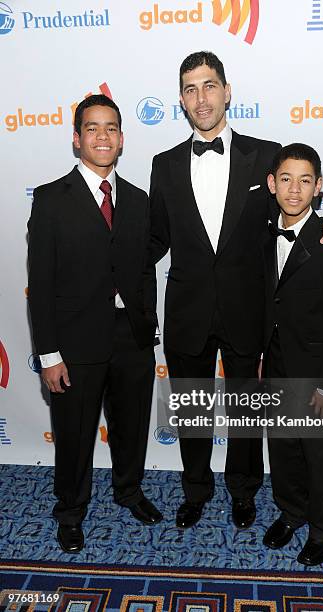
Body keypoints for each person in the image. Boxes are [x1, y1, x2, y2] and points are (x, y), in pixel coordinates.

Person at [149, 51, 323, 530]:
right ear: (181, 100)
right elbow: (155, 240)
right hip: (187, 309)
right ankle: (195, 489)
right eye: (190, 89)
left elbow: (294, 211)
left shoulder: (266, 155)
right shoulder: (162, 165)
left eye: (209, 86)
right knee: (193, 411)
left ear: (227, 91)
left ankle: (243, 492)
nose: (201, 98)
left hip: (249, 310)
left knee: (246, 415)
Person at [28, 94, 162, 554]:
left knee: (130, 425)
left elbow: (146, 270)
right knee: (74, 433)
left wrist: (149, 327)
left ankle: (129, 491)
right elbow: (40, 285)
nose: (102, 137)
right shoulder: (49, 200)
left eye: (111, 129)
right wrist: (49, 354)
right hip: (74, 342)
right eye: (92, 128)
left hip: (132, 338)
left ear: (122, 139)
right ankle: (70, 511)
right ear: (76, 138)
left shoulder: (140, 201)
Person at [262, 143, 323, 566]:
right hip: (279, 367)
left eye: (305, 180)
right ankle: (292, 511)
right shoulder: (262, 234)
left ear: (318, 187)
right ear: (272, 183)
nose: (295, 189)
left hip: (322, 371)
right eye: (286, 179)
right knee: (284, 450)